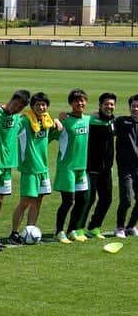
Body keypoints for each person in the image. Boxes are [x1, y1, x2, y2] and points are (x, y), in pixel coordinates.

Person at [8, 92, 61, 240]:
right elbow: (11, 126)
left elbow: (50, 138)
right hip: (29, 169)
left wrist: (58, 121)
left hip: (43, 169)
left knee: (38, 201)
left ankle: (29, 230)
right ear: (32, 106)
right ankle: (14, 232)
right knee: (25, 202)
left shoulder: (47, 121)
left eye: (44, 105)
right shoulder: (24, 121)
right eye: (38, 105)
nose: (41, 107)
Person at [0, 89, 29, 250]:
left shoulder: (18, 118)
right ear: (12, 99)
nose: (17, 109)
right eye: (17, 104)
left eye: (21, 107)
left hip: (7, 166)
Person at [51, 89, 91, 243]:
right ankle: (59, 231)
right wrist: (56, 121)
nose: (80, 103)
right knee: (68, 201)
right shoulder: (65, 121)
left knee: (82, 201)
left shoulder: (88, 120)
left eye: (82, 100)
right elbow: (51, 135)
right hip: (66, 167)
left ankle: (71, 230)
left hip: (81, 167)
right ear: (70, 103)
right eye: (76, 101)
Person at [82, 93, 117, 239]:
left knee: (106, 198)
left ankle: (94, 227)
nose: (109, 107)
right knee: (88, 199)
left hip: (106, 168)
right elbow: (75, 120)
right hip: (91, 167)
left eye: (111, 104)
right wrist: (63, 116)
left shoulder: (114, 122)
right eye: (106, 104)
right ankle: (78, 228)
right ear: (100, 105)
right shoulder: (91, 120)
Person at [113, 94, 138, 238]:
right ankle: (120, 227)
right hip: (125, 168)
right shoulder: (122, 122)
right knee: (127, 199)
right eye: (133, 106)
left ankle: (131, 226)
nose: (135, 109)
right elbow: (103, 119)